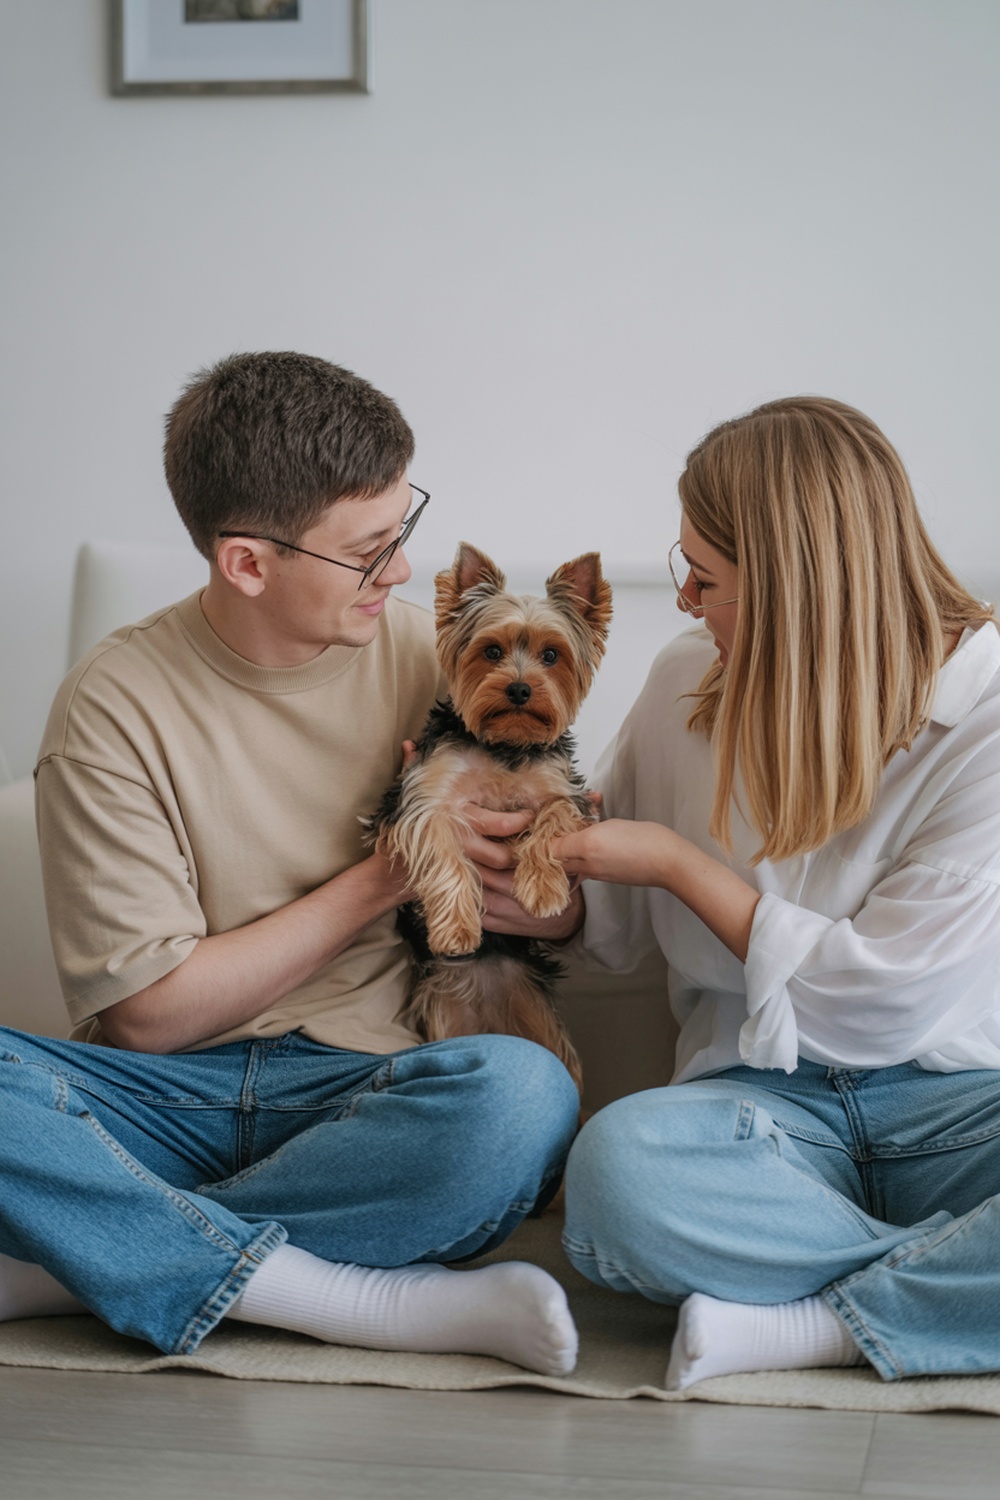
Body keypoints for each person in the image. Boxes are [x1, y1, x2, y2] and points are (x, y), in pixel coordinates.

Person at [0, 351, 579, 1376]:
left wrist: (542, 875)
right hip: (162, 1098)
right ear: (248, 564)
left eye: (403, 528)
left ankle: (78, 1261)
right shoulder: (111, 707)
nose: (402, 570)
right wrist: (389, 871)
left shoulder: (442, 663)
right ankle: (350, 1300)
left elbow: (557, 907)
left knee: (520, 1097)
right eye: (368, 551)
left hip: (375, 1091)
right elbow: (150, 1015)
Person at [520, 395, 1000, 1387]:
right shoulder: (683, 681)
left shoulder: (985, 716)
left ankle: (808, 1324)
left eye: (704, 577)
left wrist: (676, 864)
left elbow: (877, 1005)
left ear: (794, 588)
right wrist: (529, 869)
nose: (685, 601)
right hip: (755, 1113)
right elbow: (605, 932)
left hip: (962, 1102)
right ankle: (950, 1280)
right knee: (615, 1177)